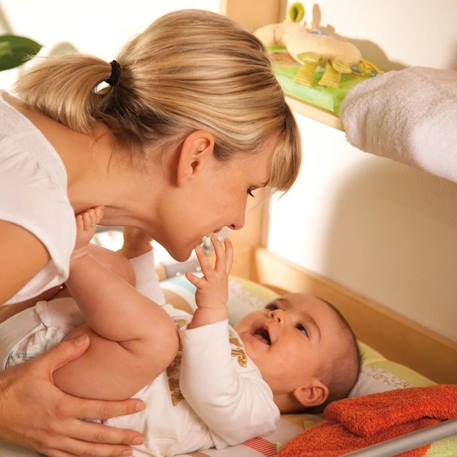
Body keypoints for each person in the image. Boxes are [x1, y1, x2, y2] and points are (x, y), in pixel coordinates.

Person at [0, 8, 301, 455]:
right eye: (250, 188)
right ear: (196, 156)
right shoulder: (32, 219)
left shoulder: (34, 162)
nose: (239, 220)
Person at [1, 208, 361, 456]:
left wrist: (213, 308)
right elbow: (146, 305)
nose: (280, 316)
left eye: (302, 328)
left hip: (65, 396)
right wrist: (138, 248)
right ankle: (57, 244)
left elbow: (208, 389)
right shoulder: (208, 332)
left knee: (155, 338)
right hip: (44, 341)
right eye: (275, 306)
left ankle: (73, 253)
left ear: (310, 392)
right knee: (123, 279)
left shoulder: (258, 409)